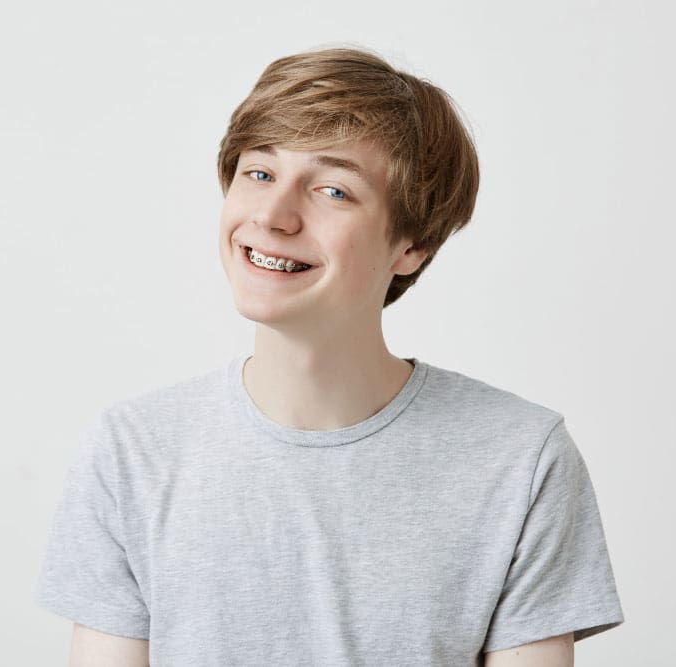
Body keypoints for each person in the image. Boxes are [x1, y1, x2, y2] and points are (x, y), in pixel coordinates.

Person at [34, 46, 624, 666]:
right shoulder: (132, 451)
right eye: (259, 173)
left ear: (413, 246)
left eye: (333, 190)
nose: (272, 215)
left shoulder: (521, 459)